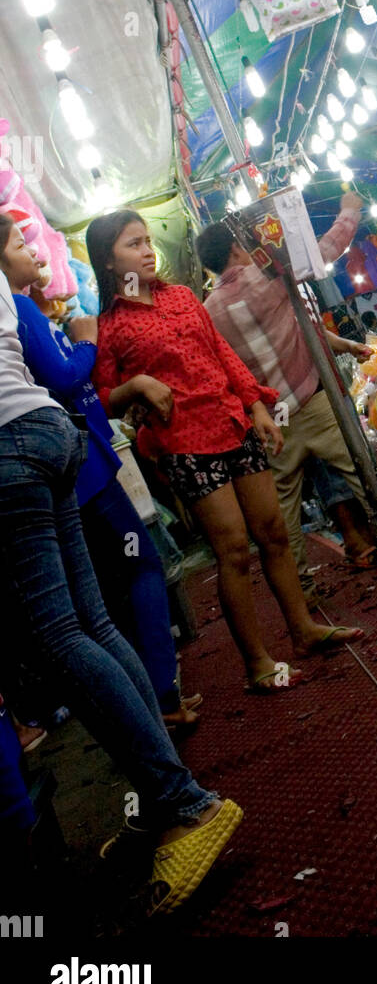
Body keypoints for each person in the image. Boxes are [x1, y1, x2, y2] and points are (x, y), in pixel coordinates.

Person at [0, 253, 241, 914]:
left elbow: (65, 369)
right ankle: (165, 793)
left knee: (61, 639)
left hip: (7, 451)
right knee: (91, 624)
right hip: (43, 434)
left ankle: (181, 803)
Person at [86, 210, 361, 695]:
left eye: (149, 240)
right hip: (184, 443)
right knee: (233, 551)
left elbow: (221, 352)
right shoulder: (107, 327)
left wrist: (254, 403)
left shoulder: (183, 297)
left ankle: (303, 630)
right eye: (133, 244)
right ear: (109, 262)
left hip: (232, 423)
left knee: (274, 532)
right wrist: (138, 385)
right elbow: (103, 395)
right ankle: (257, 662)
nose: (148, 250)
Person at [0, 214, 198, 731]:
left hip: (82, 464)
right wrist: (86, 341)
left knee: (111, 592)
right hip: (80, 473)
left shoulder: (33, 311)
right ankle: (159, 697)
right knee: (140, 569)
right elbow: (66, 378)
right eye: (23, 246)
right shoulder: (18, 309)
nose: (39, 256)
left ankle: (149, 704)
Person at [195, 190, 377, 571]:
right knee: (366, 475)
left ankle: (303, 590)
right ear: (235, 249)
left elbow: (292, 331)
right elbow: (323, 251)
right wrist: (349, 210)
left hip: (271, 424)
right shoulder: (265, 275)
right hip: (313, 401)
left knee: (284, 518)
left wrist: (340, 344)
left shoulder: (208, 311)